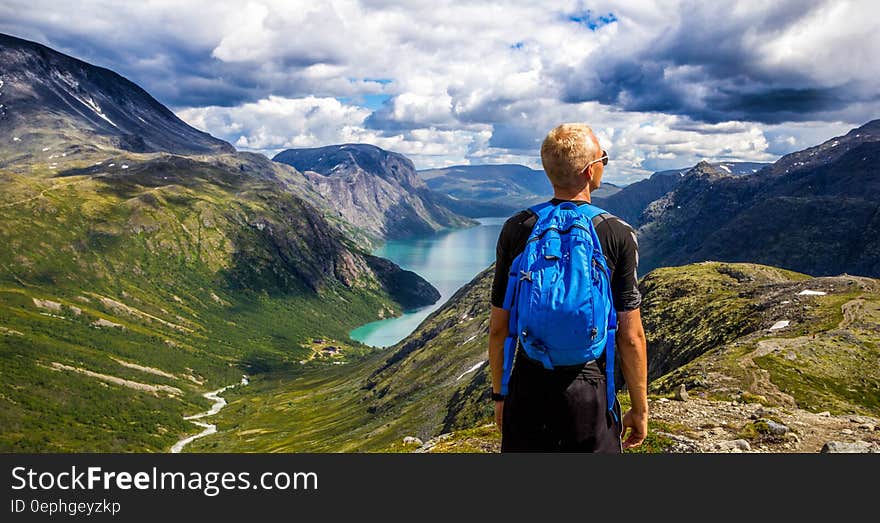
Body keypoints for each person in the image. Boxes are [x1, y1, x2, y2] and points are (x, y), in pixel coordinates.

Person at [488, 123, 648, 452]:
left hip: (529, 384)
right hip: (589, 388)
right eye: (604, 158)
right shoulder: (616, 232)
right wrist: (639, 409)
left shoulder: (518, 228)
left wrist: (500, 395)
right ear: (591, 171)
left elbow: (499, 329)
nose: (605, 163)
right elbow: (630, 336)